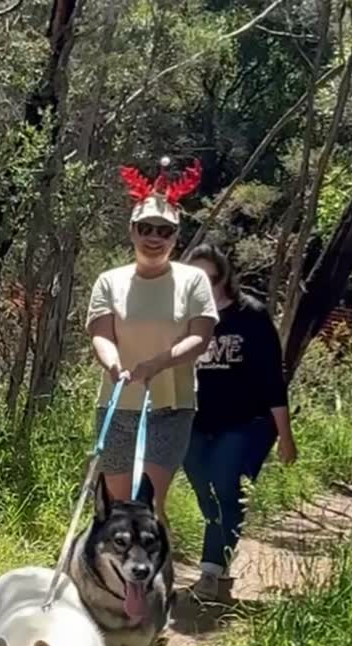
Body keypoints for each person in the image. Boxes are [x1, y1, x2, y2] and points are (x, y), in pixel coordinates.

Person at [85, 157, 218, 523]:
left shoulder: (194, 281)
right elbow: (101, 334)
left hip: (171, 406)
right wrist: (113, 365)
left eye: (164, 231)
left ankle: (154, 578)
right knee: (115, 509)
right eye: (146, 228)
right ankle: (111, 578)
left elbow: (200, 337)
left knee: (148, 506)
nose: (154, 237)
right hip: (118, 403)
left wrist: (158, 363)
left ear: (176, 236)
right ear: (132, 231)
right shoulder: (110, 281)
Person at [182, 242, 298, 601]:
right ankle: (223, 542)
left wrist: (285, 434)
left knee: (223, 482)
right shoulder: (183, 317)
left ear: (224, 278)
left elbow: (271, 379)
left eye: (211, 278)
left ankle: (210, 569)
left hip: (246, 421)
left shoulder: (252, 315)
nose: (205, 286)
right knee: (204, 487)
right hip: (195, 420)